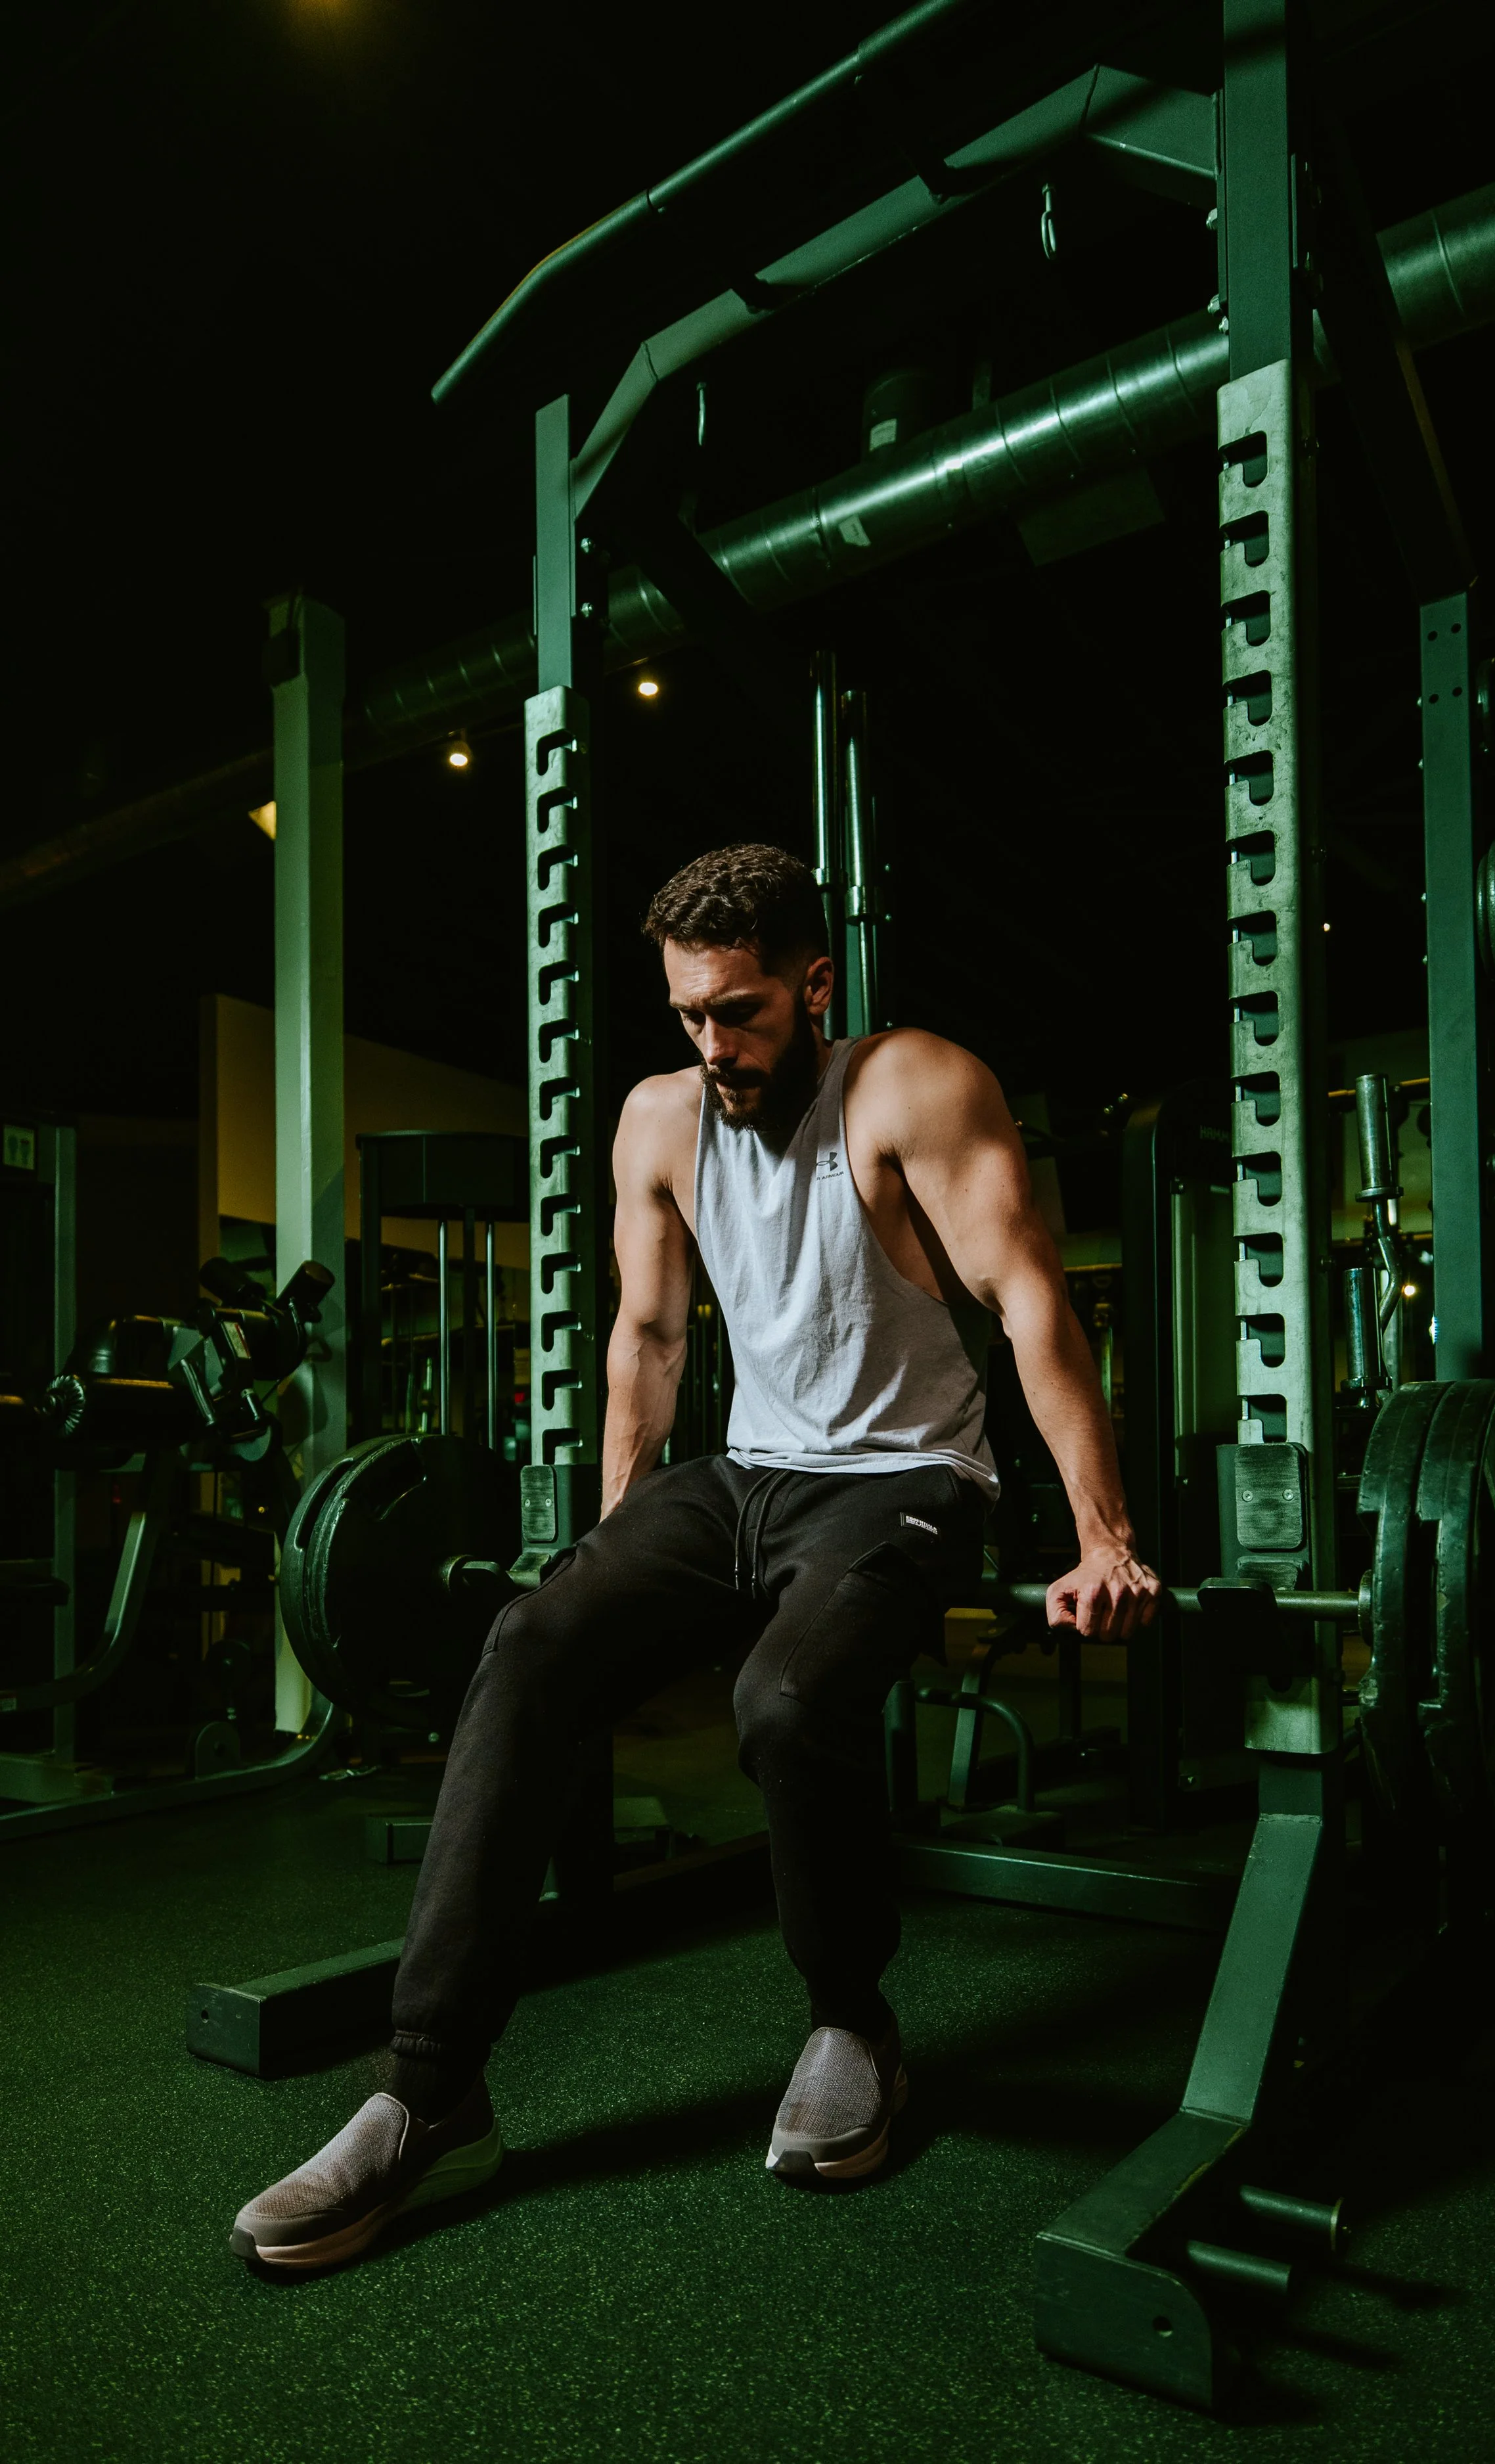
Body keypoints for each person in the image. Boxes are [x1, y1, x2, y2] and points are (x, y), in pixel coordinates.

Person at [231, 842, 1161, 2270]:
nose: (714, 1045)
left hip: (905, 1476)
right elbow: (650, 1340)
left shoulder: (911, 1086)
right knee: (533, 1640)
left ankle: (850, 2018)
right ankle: (428, 2093)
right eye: (687, 1016)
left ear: (812, 983)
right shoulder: (659, 1118)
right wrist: (613, 1558)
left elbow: (1030, 1301)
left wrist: (1104, 1537)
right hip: (742, 1476)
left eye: (741, 1012)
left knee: (783, 1704)